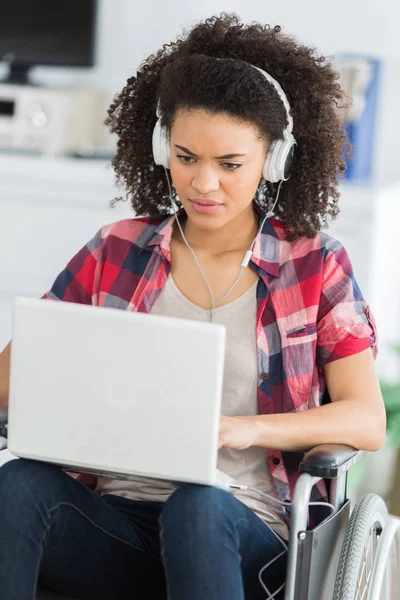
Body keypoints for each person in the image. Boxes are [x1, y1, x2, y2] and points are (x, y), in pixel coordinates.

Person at [0, 13, 386, 600]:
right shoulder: (116, 250)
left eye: (230, 165)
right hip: (118, 523)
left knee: (195, 508)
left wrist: (244, 431)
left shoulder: (314, 264)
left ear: (273, 159)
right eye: (185, 158)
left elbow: (366, 421)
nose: (204, 183)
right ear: (162, 147)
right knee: (20, 483)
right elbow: (10, 379)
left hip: (240, 528)